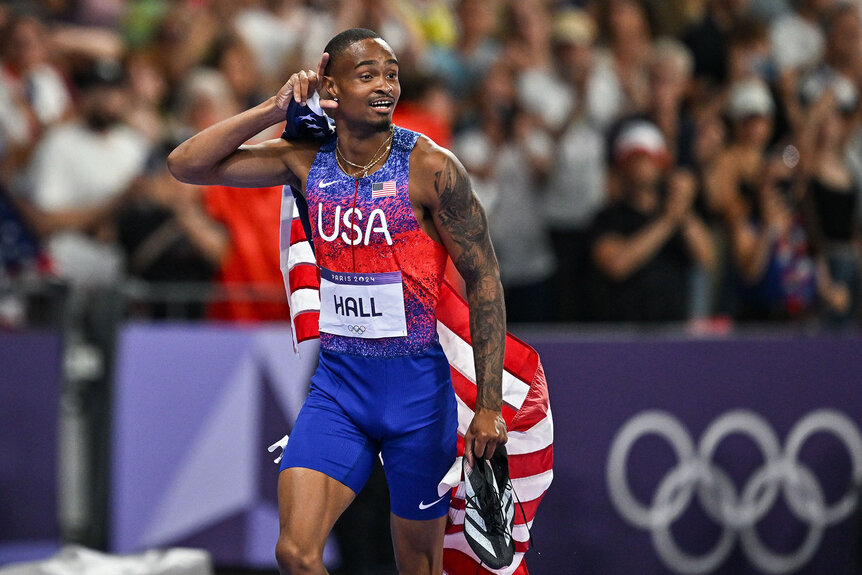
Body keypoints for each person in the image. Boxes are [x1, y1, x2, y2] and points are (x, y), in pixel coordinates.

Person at [167, 28, 507, 575]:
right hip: (339, 389)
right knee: (295, 554)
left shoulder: (432, 169)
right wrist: (271, 108)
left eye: (392, 74)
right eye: (367, 74)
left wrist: (488, 405)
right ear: (330, 85)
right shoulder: (304, 160)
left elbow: (485, 279)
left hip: (418, 394)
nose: (385, 86)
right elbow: (187, 164)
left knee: (418, 565)